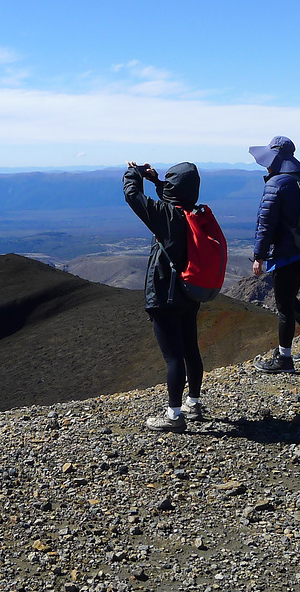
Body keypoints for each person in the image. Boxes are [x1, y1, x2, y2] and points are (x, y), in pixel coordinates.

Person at [123, 161, 206, 432]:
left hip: (165, 295)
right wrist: (157, 181)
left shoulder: (166, 217)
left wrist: (134, 174)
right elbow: (173, 200)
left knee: (173, 357)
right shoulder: (193, 212)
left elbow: (132, 196)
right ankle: (193, 404)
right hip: (189, 292)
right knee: (190, 349)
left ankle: (174, 416)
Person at [249, 136, 300, 373]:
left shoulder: (276, 184)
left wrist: (259, 255)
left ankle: (284, 359)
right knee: (289, 297)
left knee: (283, 305)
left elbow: (266, 223)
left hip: (287, 253)